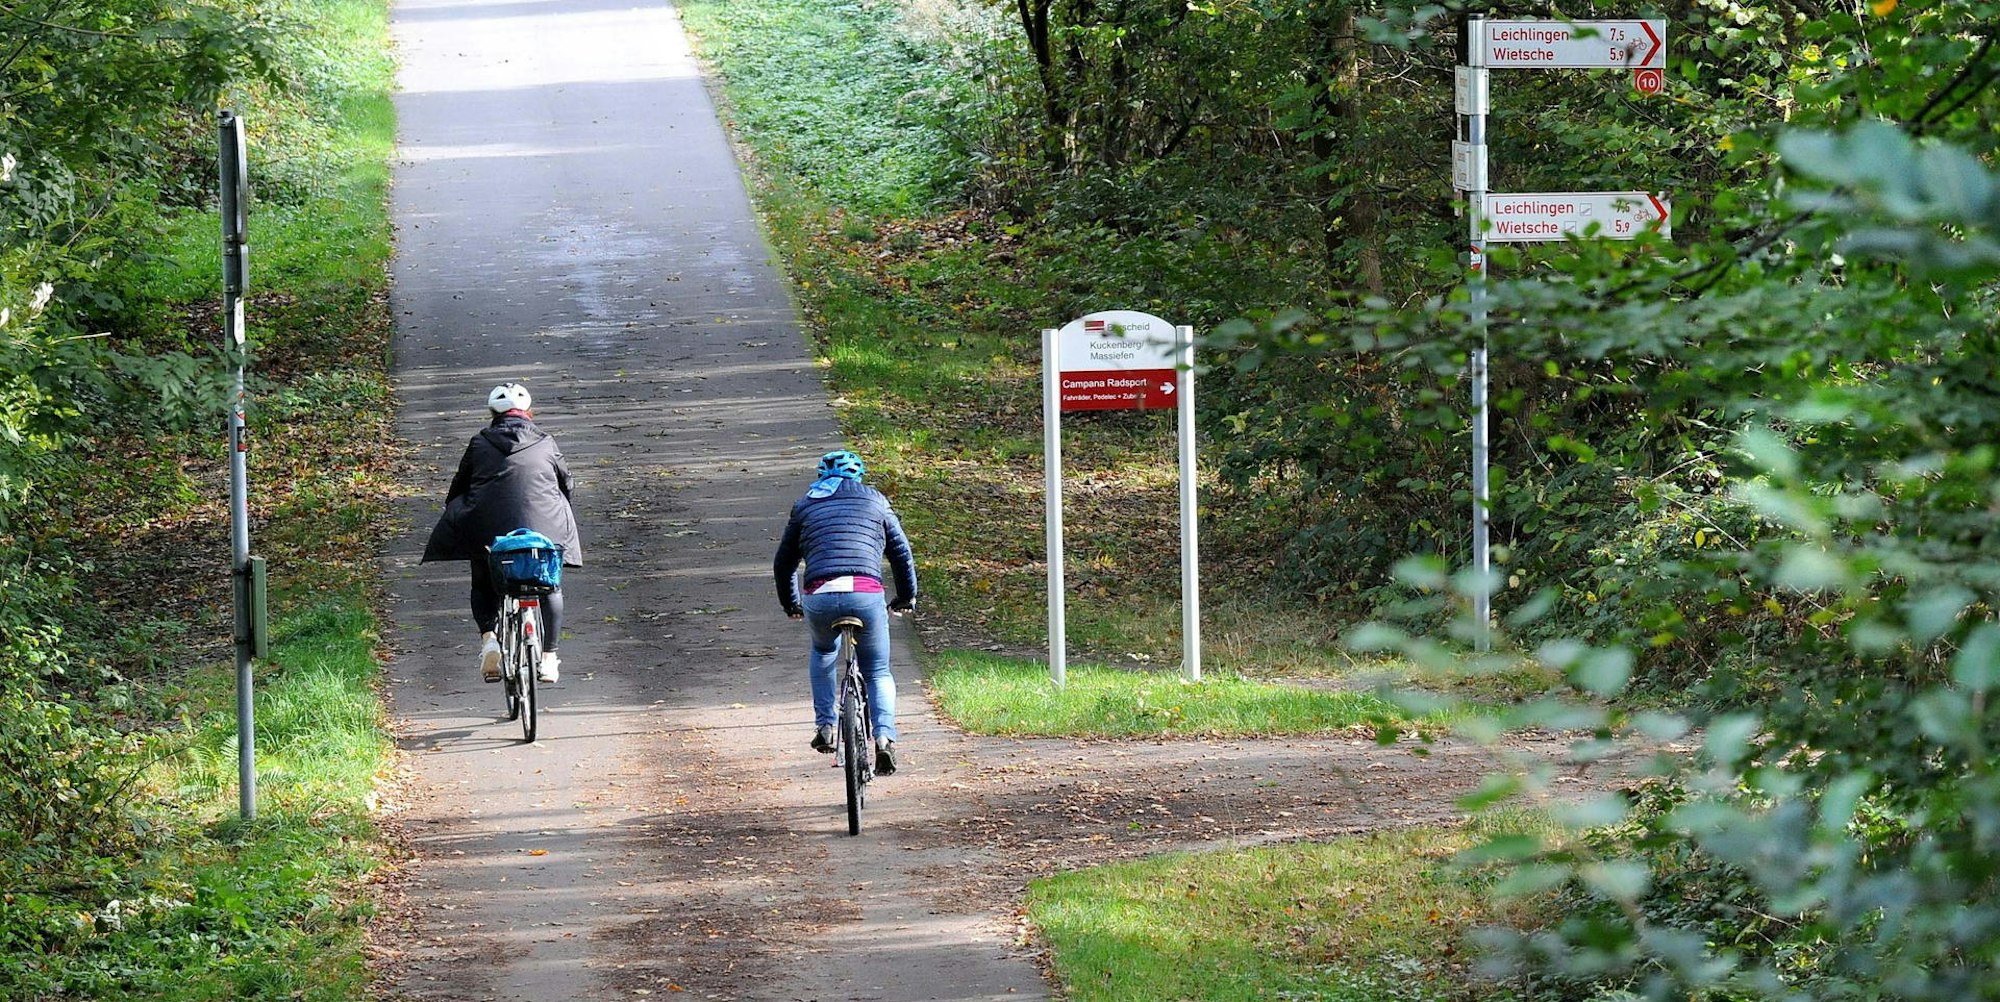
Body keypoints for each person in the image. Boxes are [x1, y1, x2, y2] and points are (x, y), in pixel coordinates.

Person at [421, 383, 583, 685]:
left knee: (483, 582)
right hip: (543, 531)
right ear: (529, 413)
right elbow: (567, 484)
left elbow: (458, 488)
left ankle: (490, 640)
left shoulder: (479, 443)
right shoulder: (546, 442)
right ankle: (549, 657)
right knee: (549, 585)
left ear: (492, 414)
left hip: (489, 532)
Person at [772, 449, 917, 774]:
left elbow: (784, 563)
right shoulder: (876, 501)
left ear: (822, 475)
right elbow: (901, 554)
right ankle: (883, 739)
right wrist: (906, 596)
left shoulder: (805, 504)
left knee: (823, 651)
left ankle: (825, 725)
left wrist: (790, 603)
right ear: (858, 475)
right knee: (877, 670)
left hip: (820, 596)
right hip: (866, 595)